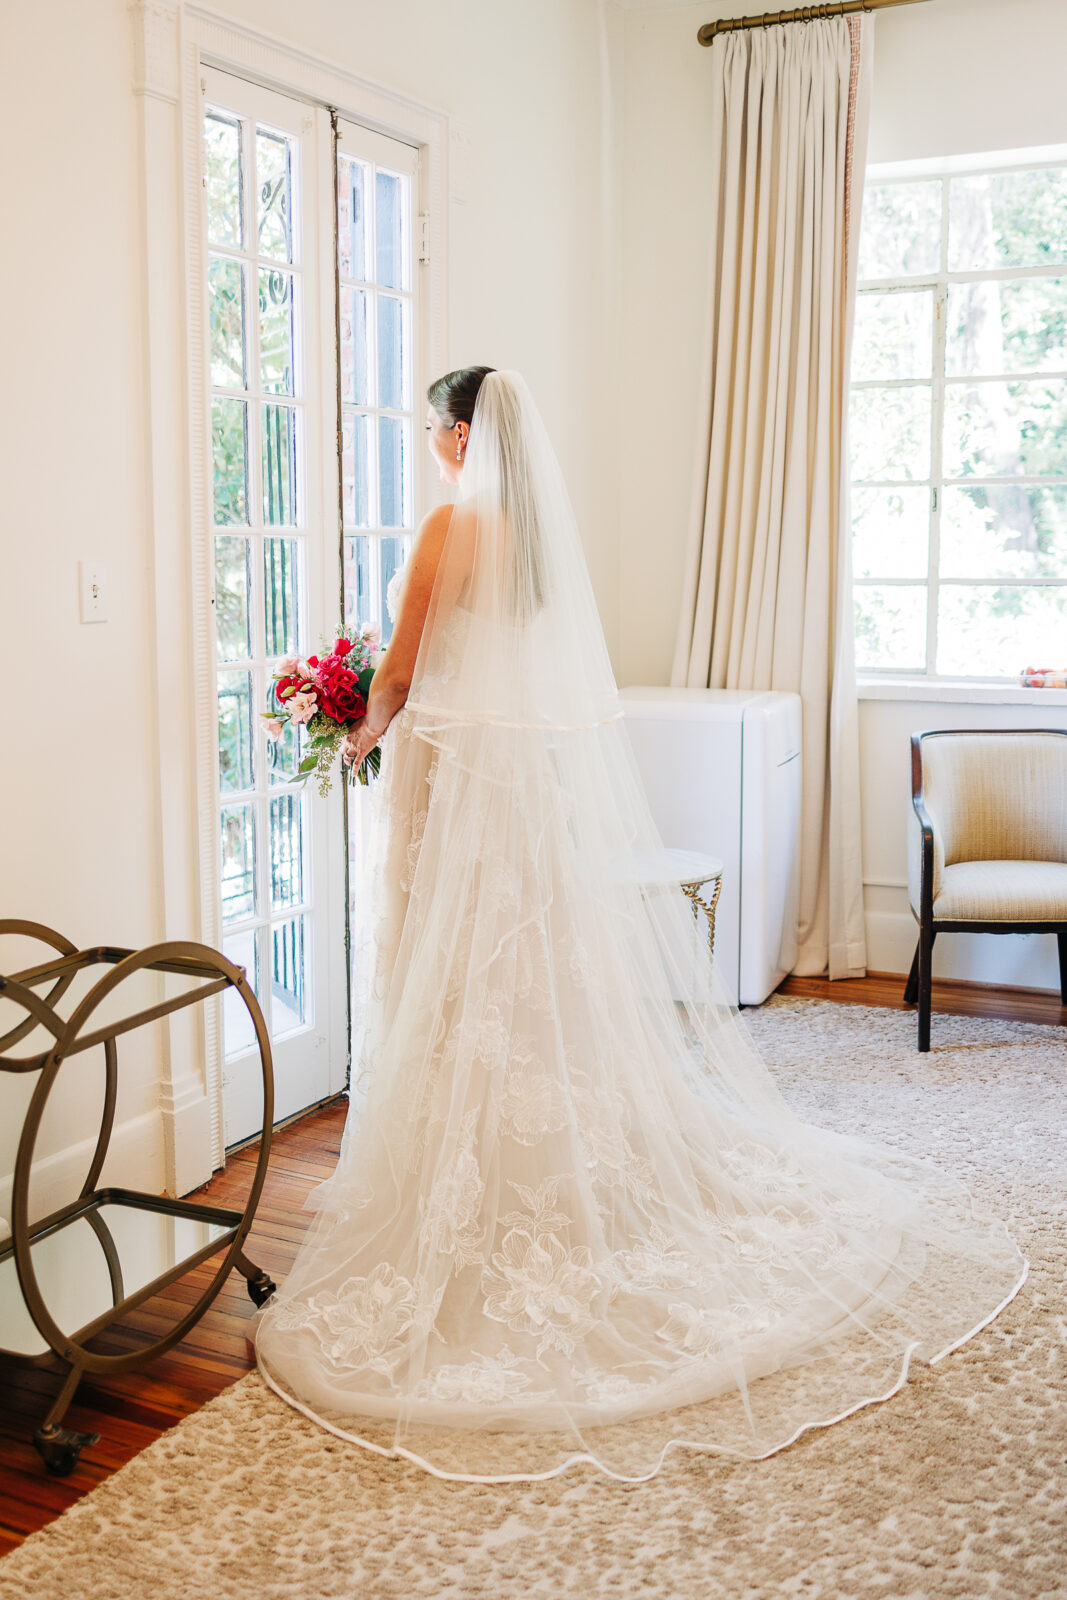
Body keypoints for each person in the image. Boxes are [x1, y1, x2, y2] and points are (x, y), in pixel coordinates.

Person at [250, 367, 1027, 1484]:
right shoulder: (536, 543)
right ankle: (545, 1157)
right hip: (519, 783)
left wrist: (356, 731)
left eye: (429, 429)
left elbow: (407, 669)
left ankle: (465, 1177)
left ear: (461, 437)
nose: (427, 445)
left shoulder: (445, 528)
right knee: (526, 962)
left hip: (453, 779)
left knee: (449, 963)